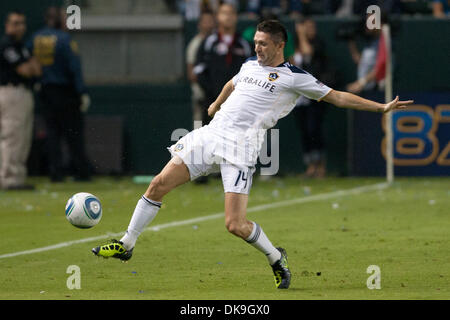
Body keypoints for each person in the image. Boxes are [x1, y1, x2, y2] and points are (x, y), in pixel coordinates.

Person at [92, 20, 413, 289]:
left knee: (234, 224)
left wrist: (381, 106)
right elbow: (232, 83)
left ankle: (276, 257)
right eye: (255, 42)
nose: (256, 48)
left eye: (262, 44)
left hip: (241, 149)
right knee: (157, 185)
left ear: (279, 45)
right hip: (210, 135)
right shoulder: (248, 65)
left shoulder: (294, 77)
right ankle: (127, 244)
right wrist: (217, 103)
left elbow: (338, 97)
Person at [30, 7, 91, 182]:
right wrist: (82, 92)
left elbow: (29, 58)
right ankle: (81, 171)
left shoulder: (35, 38)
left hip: (45, 91)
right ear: (58, 21)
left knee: (52, 133)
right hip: (66, 92)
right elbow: (74, 67)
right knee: (73, 133)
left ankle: (55, 172)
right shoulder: (64, 39)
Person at [0, 10, 42, 191]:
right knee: (12, 135)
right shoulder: (7, 45)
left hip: (24, 93)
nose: (20, 27)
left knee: (23, 137)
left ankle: (17, 177)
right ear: (7, 25)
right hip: (11, 91)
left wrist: (31, 66)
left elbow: (37, 70)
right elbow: (25, 70)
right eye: (16, 23)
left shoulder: (22, 46)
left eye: (22, 23)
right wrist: (30, 66)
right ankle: (8, 179)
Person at [293, 18, 334, 178]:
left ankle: (321, 164)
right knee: (304, 131)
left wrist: (302, 35)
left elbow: (309, 52)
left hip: (315, 94)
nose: (309, 30)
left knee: (314, 128)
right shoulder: (293, 47)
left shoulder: (318, 44)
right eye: (306, 27)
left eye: (311, 27)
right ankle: (310, 165)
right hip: (298, 97)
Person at [186, 11, 215, 129]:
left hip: (219, 96)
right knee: (199, 130)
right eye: (205, 21)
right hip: (202, 96)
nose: (208, 24)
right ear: (199, 25)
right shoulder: (195, 44)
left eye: (210, 21)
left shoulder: (217, 41)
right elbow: (191, 74)